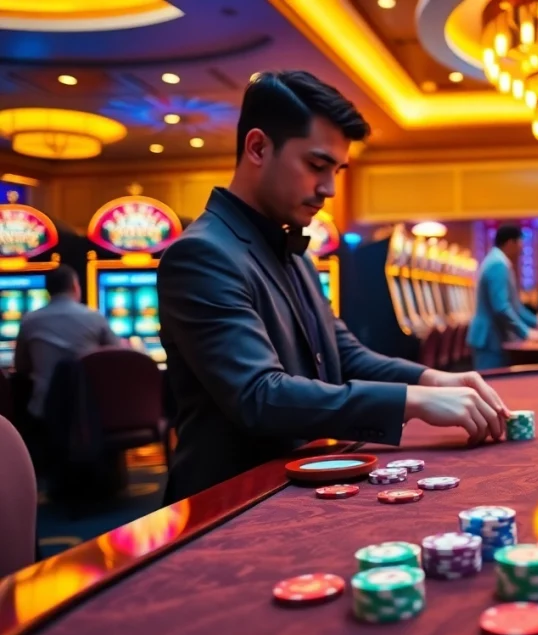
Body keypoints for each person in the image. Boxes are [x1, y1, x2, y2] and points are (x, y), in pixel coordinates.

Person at [157, 71, 510, 503]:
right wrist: (409, 402)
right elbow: (259, 396)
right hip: (229, 502)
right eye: (316, 165)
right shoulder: (202, 254)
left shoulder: (295, 253)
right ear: (258, 147)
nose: (328, 188)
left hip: (302, 480)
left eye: (337, 170)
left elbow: (345, 354)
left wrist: (432, 379)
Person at [15, 265, 120, 427]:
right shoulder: (94, 317)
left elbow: (20, 367)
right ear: (75, 287)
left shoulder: (29, 321)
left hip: (43, 411)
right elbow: (118, 358)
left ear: (48, 291)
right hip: (87, 410)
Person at [467, 225, 538, 371]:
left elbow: (515, 305)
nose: (522, 248)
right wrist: (526, 332)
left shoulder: (498, 261)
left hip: (495, 336)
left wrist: (536, 321)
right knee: (490, 385)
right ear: (511, 243)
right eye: (520, 243)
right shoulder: (497, 264)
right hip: (489, 338)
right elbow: (501, 307)